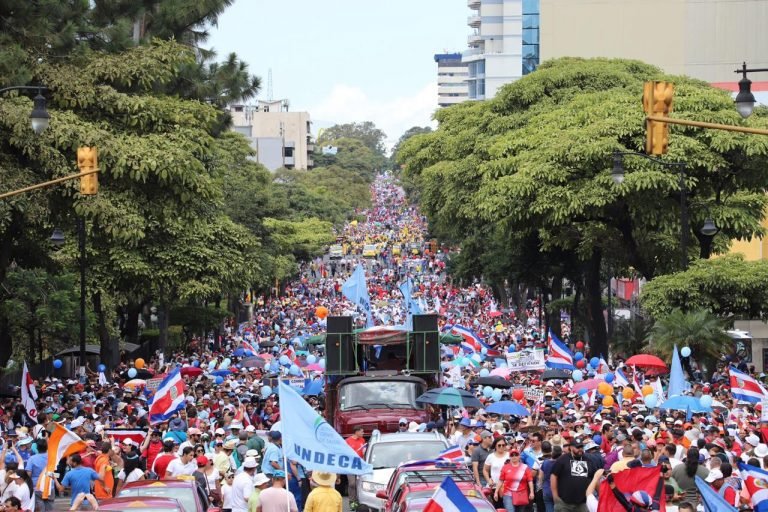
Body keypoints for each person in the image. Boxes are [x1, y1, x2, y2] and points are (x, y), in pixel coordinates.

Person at [550, 438, 598, 512]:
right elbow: (553, 476)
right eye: (578, 447)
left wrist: (601, 494)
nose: (580, 449)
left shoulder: (588, 461)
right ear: (571, 447)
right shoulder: (562, 459)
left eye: (581, 447)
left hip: (582, 503)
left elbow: (595, 478)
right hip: (564, 503)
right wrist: (555, 496)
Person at [496, 448, 534, 512]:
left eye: (516, 455)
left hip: (521, 494)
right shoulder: (505, 467)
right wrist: (496, 492)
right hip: (508, 494)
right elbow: (501, 480)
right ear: (510, 457)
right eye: (512, 455)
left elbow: (530, 480)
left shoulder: (525, 467)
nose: (514, 456)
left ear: (519, 456)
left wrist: (532, 492)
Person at [24, 439, 50, 512]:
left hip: (37, 485)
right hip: (49, 485)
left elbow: (28, 473)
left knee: (39, 506)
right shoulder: (52, 457)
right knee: (49, 506)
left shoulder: (32, 458)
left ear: (37, 448)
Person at [345, 426, 366, 509]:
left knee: (358, 483)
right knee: (352, 483)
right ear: (356, 432)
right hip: (350, 465)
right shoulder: (347, 441)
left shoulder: (362, 440)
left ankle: (358, 502)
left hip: (359, 465)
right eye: (362, 431)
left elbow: (363, 452)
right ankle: (352, 501)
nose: (363, 433)